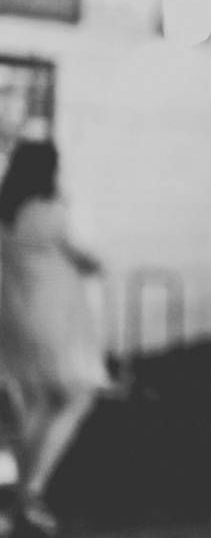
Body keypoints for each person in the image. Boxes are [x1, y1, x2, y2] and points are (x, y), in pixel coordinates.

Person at [0, 139, 107, 536]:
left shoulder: (5, 212)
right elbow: (89, 258)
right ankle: (31, 491)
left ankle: (22, 503)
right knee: (79, 395)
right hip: (53, 319)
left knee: (36, 402)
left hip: (13, 318)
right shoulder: (51, 211)